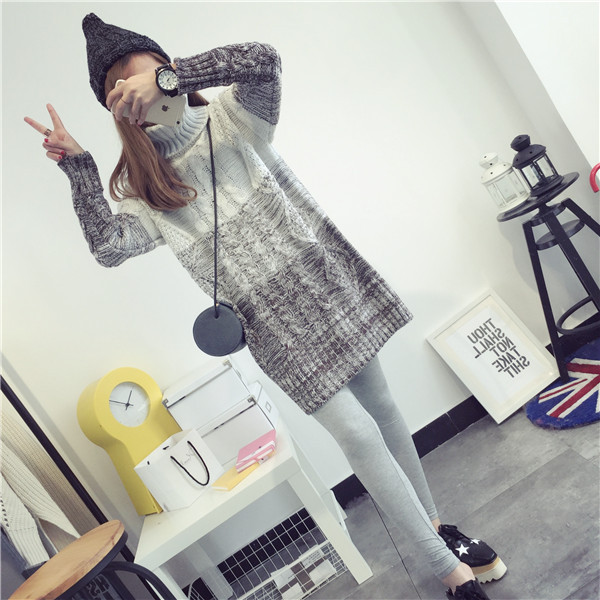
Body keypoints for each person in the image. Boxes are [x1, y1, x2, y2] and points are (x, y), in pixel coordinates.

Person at [25, 14, 506, 600]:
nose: (131, 89)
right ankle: (446, 569)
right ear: (115, 110)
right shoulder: (146, 188)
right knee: (357, 433)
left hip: (323, 280)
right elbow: (107, 247)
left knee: (381, 408)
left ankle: (434, 527)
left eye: (136, 72)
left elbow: (264, 58)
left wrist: (173, 79)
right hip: (274, 324)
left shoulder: (233, 118)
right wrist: (78, 166)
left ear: (162, 67)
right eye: (115, 87)